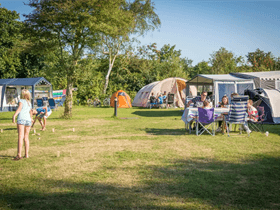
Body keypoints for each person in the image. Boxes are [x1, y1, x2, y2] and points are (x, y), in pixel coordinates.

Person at [12, 89, 33, 160]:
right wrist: (31, 118)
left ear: (22, 95)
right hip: (28, 120)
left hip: (21, 119)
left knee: (21, 136)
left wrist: (14, 115)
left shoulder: (21, 101)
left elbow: (19, 108)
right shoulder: (29, 103)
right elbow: (30, 112)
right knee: (26, 137)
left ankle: (19, 155)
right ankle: (26, 154)